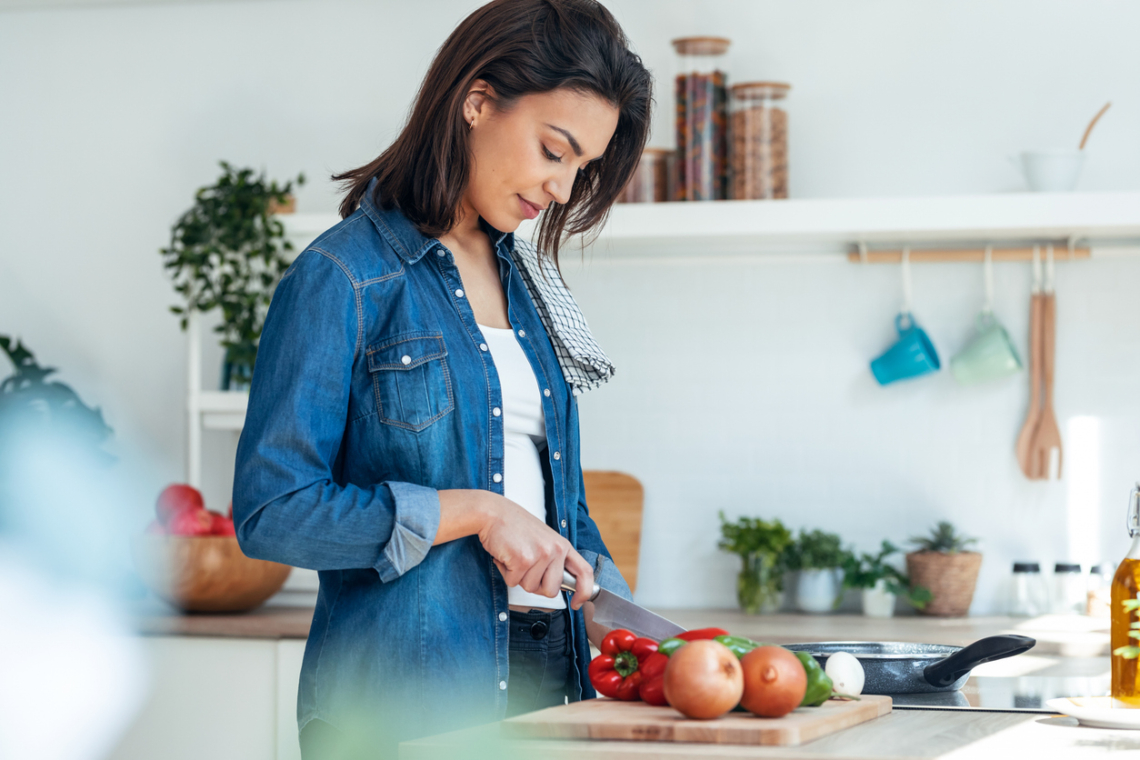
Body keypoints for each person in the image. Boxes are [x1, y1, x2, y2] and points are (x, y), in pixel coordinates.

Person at [232, 1, 653, 757]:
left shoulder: (530, 287)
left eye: (581, 167)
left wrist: (595, 580)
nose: (562, 189)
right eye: (554, 150)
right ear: (478, 99)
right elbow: (274, 512)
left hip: (552, 683)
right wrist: (475, 512)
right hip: (402, 703)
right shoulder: (342, 277)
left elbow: (559, 498)